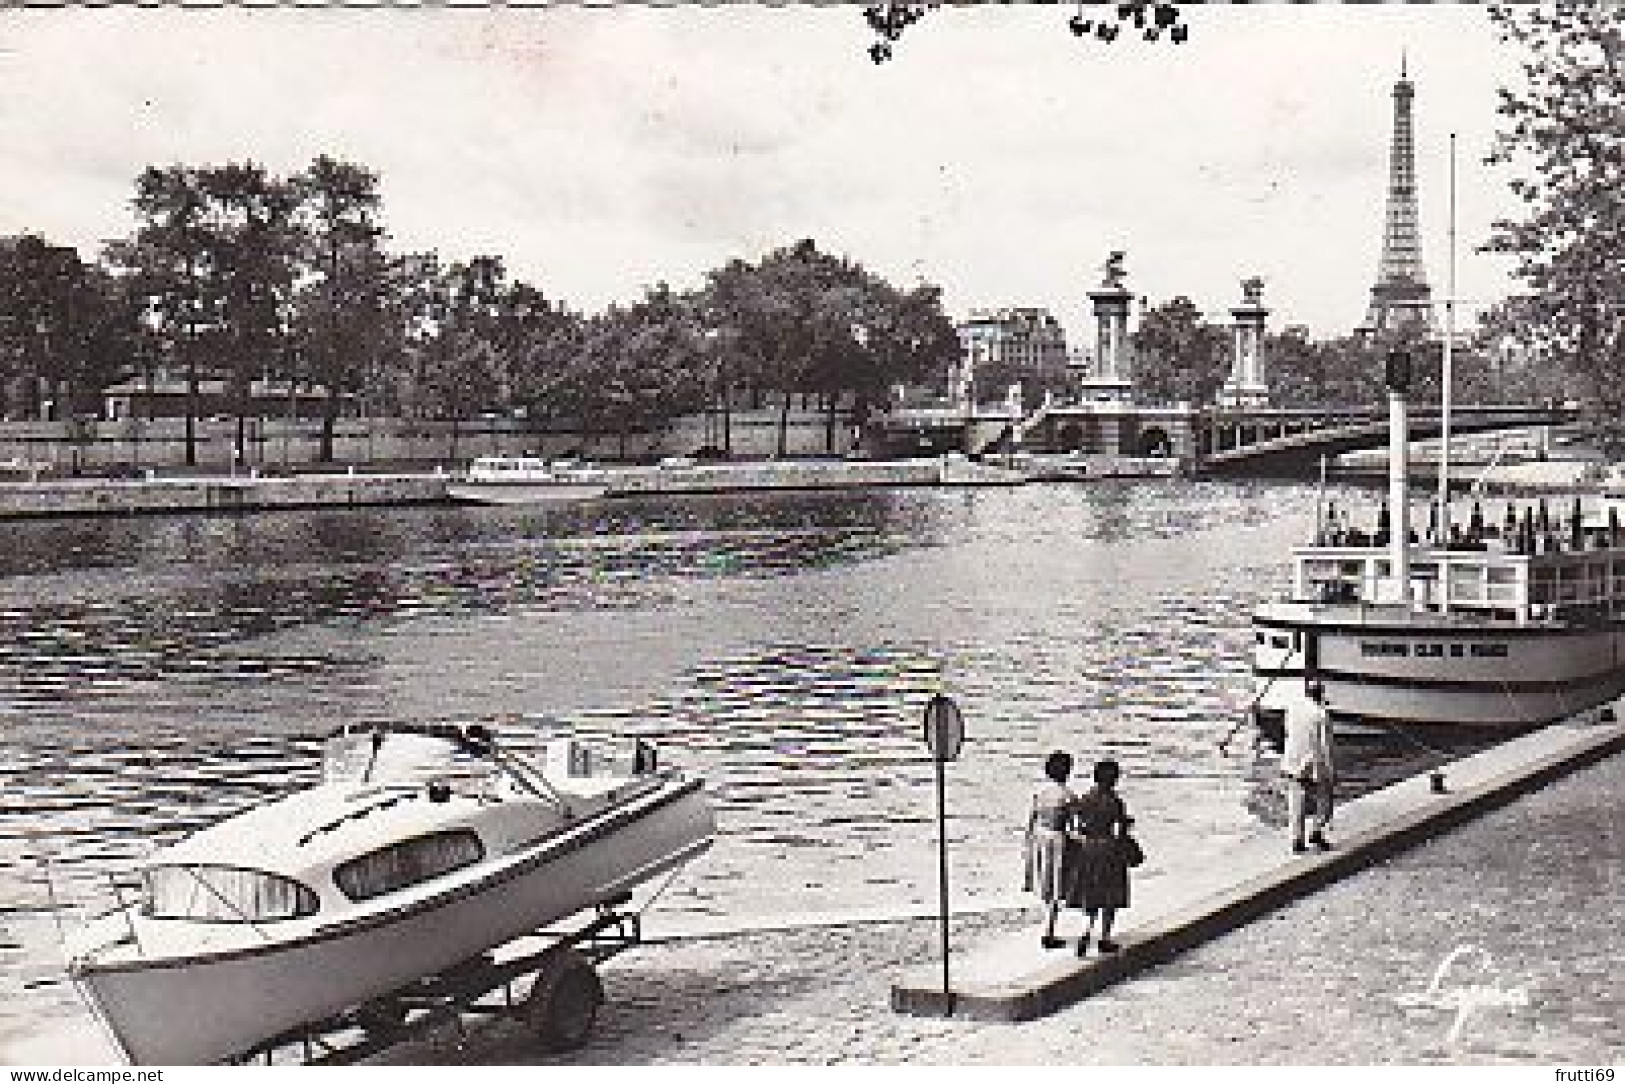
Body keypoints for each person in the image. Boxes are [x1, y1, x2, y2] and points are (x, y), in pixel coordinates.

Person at [1068, 758, 1134, 956]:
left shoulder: (1085, 798)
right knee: (1110, 896)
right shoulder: (1115, 802)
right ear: (1114, 780)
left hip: (1088, 850)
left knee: (1092, 894)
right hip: (1108, 849)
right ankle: (1104, 937)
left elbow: (1075, 824)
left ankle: (1086, 931)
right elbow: (1121, 830)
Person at [1023, 750, 1079, 949]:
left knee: (1045, 884)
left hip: (1040, 838)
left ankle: (1048, 928)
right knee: (1056, 886)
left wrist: (1028, 846)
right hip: (1057, 840)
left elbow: (1031, 821)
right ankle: (1049, 931)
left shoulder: (1040, 793)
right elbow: (1074, 827)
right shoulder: (1068, 796)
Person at [1282, 680, 1337, 853]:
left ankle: (1296, 840)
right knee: (1325, 799)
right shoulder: (1321, 715)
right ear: (1321, 695)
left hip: (1292, 760)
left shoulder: (1293, 708)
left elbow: (1287, 730)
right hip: (1312, 764)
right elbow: (1325, 745)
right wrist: (1330, 770)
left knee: (1296, 802)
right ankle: (1316, 831)